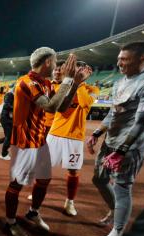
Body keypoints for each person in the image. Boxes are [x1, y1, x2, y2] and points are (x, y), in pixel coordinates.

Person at [3, 48, 90, 236]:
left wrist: (74, 84)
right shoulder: (26, 82)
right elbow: (49, 106)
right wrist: (68, 80)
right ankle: (10, 222)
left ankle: (33, 212)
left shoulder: (46, 83)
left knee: (44, 180)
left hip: (41, 140)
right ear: (48, 63)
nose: (58, 66)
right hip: (25, 142)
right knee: (16, 185)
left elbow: (61, 107)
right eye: (55, 61)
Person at [87, 41, 144, 236]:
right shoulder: (120, 82)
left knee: (122, 187)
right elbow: (113, 112)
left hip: (129, 146)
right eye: (119, 58)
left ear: (142, 59)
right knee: (99, 179)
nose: (119, 63)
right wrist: (97, 132)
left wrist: (122, 150)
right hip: (110, 141)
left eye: (124, 59)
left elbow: (141, 122)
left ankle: (117, 232)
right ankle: (114, 211)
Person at [46, 60, 98, 216]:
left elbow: (84, 103)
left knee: (73, 171)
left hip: (75, 136)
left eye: (80, 71)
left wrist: (80, 83)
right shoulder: (59, 86)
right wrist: (74, 82)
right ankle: (38, 192)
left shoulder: (93, 89)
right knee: (44, 167)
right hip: (55, 133)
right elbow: (59, 105)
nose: (77, 73)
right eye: (75, 71)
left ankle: (70, 202)